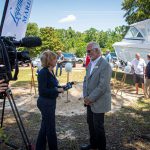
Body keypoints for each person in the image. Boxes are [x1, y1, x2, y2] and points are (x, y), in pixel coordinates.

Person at [81, 42, 112, 150]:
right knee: (90, 123)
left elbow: (102, 86)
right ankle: (93, 145)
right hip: (89, 101)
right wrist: (85, 96)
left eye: (89, 51)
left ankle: (101, 147)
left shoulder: (105, 65)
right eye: (87, 51)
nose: (88, 53)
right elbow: (85, 81)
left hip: (98, 101)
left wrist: (90, 98)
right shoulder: (90, 64)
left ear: (97, 51)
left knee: (98, 127)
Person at [36, 50, 64, 150]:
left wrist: (62, 88)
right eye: (55, 58)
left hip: (50, 102)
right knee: (50, 129)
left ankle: (39, 147)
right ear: (49, 60)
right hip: (45, 103)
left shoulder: (51, 70)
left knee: (45, 126)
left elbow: (52, 85)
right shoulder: (43, 72)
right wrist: (56, 90)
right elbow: (42, 91)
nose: (57, 60)